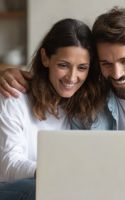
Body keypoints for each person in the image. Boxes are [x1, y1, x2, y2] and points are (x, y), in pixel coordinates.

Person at [1, 6, 125, 200]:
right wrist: (12, 75)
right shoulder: (92, 96)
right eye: (106, 63)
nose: (117, 73)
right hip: (121, 193)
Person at [0, 18, 110, 200]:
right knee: (43, 188)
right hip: (13, 190)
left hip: (61, 188)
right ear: (45, 58)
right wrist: (55, 174)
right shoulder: (14, 97)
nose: (72, 77)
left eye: (82, 68)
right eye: (63, 65)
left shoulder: (83, 104)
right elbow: (9, 164)